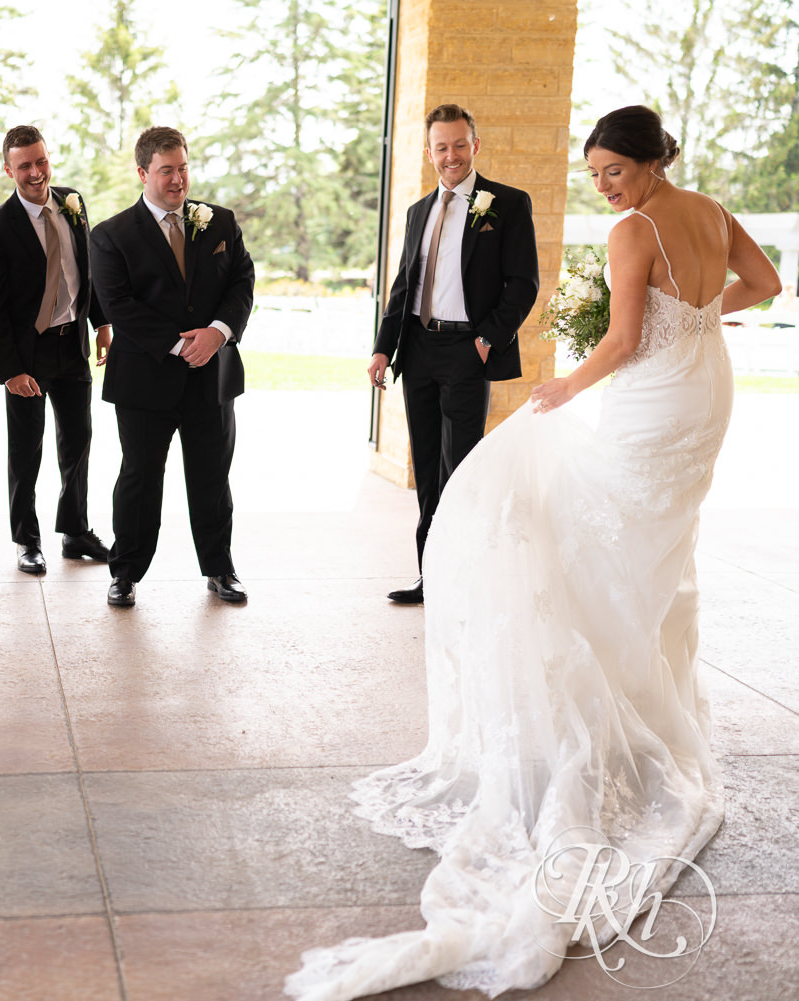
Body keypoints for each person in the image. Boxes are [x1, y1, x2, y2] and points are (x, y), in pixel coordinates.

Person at [286, 105, 781, 1000]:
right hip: (705, 387)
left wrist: (565, 383)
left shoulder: (637, 228)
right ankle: (638, 676)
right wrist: (701, 320)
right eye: (596, 175)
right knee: (654, 541)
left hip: (653, 397)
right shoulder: (710, 210)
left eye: (613, 172)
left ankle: (606, 682)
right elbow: (765, 283)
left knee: (601, 522)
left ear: (649, 162)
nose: (605, 188)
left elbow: (625, 341)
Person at [367, 104, 539, 605]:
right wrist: (383, 348)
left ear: (475, 145)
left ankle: (464, 576)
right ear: (429, 153)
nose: (451, 155)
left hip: (469, 350)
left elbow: (523, 284)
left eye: (460, 144)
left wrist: (486, 340)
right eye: (441, 147)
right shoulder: (418, 210)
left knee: (460, 468)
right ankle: (430, 575)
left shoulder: (507, 203)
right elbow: (404, 285)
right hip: (418, 349)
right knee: (426, 468)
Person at [88, 126, 254, 608]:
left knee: (211, 477)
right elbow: (118, 305)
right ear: (143, 173)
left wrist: (217, 332)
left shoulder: (219, 222)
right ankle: (125, 573)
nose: (178, 179)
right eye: (167, 170)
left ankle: (220, 570)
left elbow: (242, 282)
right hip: (145, 380)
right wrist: (182, 346)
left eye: (183, 168)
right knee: (140, 478)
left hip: (212, 378)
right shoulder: (111, 235)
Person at [0, 125, 112, 575]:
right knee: (26, 451)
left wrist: (102, 322)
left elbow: (85, 271)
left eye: (42, 161)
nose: (36, 173)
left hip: (71, 345)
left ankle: (75, 531)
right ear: (8, 169)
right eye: (25, 166)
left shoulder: (73, 204)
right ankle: (26, 540)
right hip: (26, 356)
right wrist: (10, 370)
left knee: (78, 444)